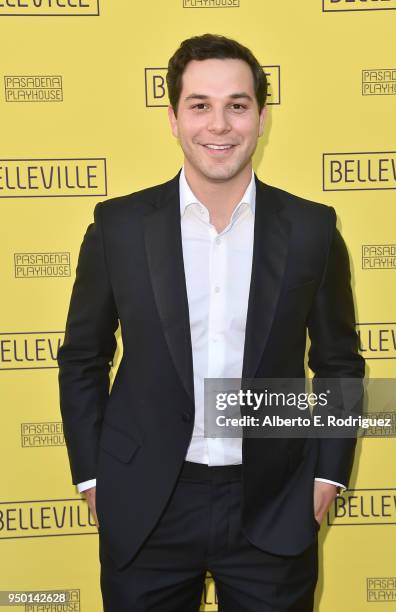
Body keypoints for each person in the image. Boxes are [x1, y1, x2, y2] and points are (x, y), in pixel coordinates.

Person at [57, 33, 365, 612]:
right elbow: (82, 357)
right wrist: (94, 476)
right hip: (146, 500)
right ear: (173, 118)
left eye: (237, 105)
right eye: (200, 105)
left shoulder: (311, 230)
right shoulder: (118, 228)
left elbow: (338, 362)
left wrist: (329, 474)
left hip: (274, 500)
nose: (218, 126)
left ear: (261, 116)